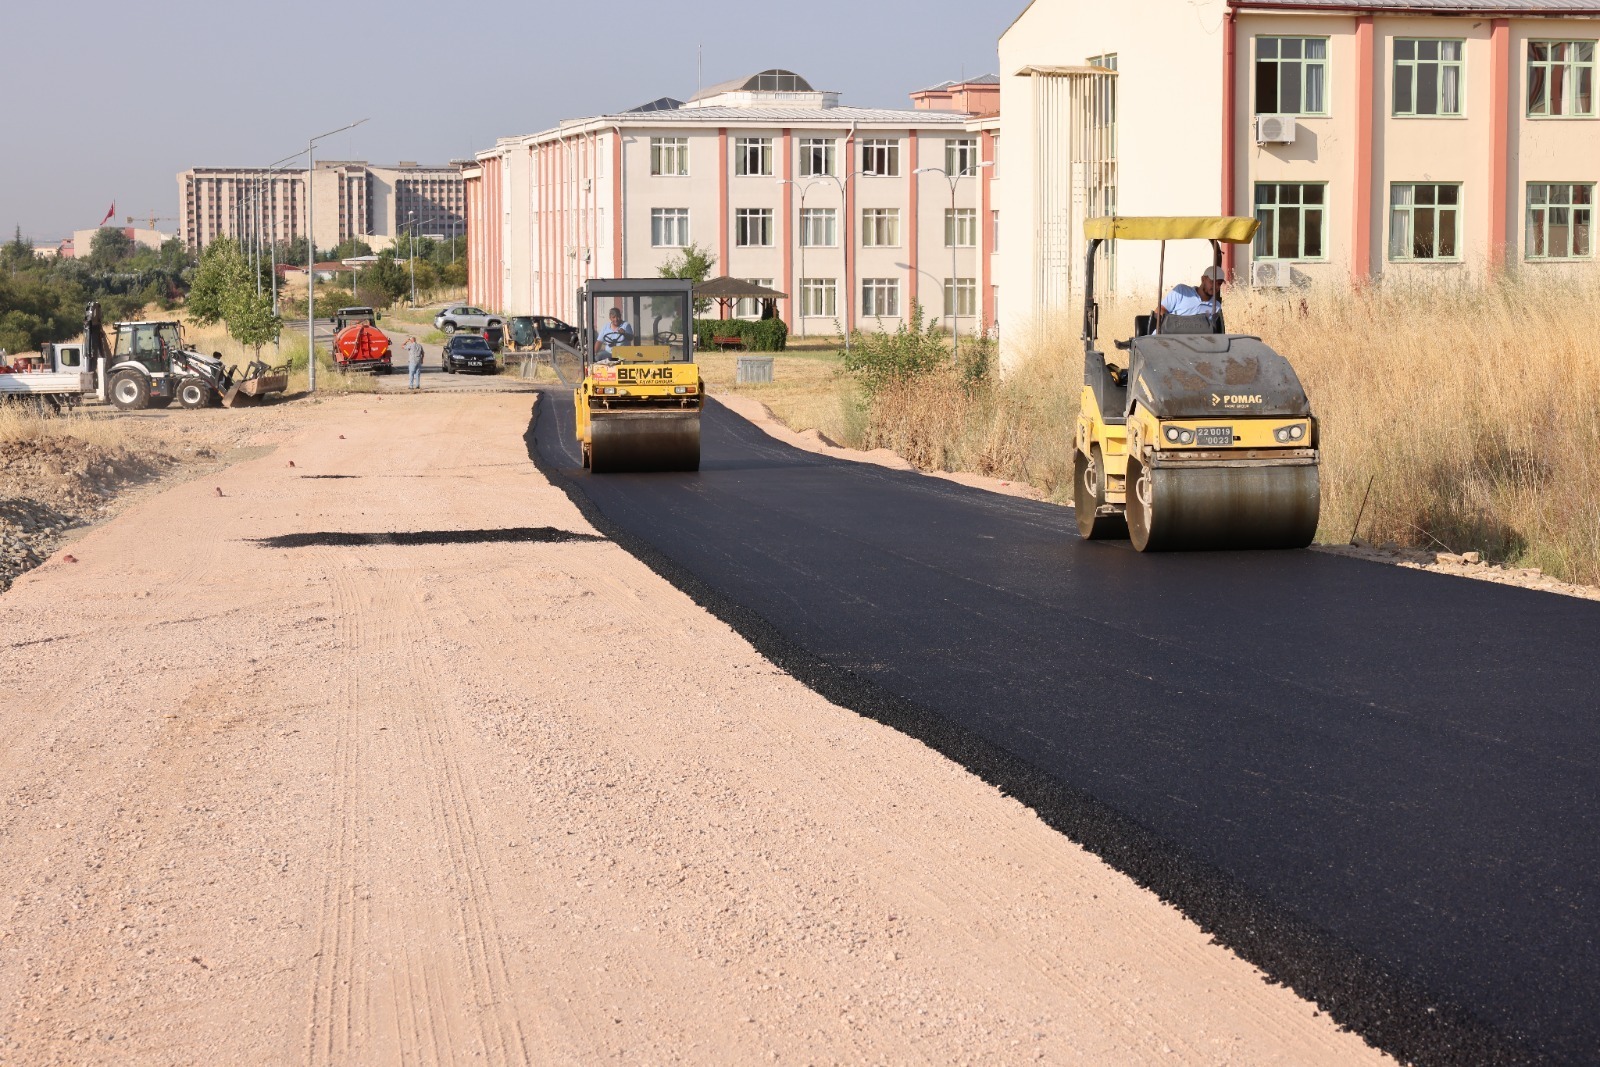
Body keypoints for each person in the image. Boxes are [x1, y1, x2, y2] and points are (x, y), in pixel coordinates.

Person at [1156, 265, 1225, 323]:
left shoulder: (1216, 307)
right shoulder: (1181, 291)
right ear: (1203, 279)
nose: (1216, 287)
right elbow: (1160, 310)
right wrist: (1172, 325)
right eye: (1212, 282)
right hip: (1165, 337)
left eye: (1219, 283)